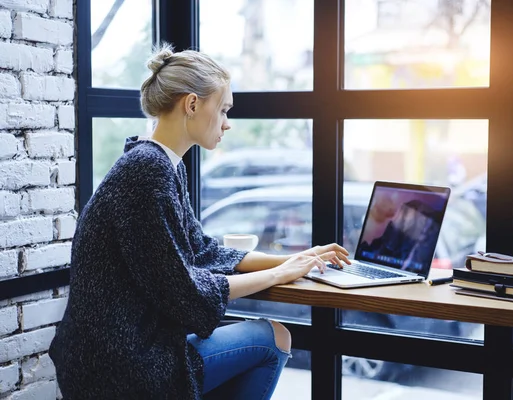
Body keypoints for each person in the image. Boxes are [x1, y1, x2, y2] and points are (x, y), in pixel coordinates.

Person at [49, 43, 350, 400]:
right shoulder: (148, 171)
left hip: (120, 352)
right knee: (275, 338)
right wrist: (277, 275)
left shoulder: (160, 164)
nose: (227, 123)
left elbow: (200, 250)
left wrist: (295, 260)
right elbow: (185, 292)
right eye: (222, 109)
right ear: (192, 104)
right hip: (120, 366)